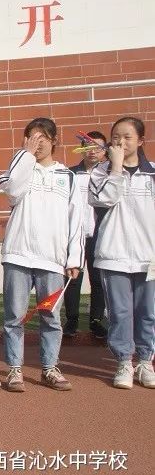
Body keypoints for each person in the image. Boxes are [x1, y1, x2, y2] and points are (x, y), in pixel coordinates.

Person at [0, 117, 82, 393]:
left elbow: (76, 221)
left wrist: (74, 258)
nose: (39, 142)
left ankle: (49, 368)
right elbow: (12, 192)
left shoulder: (67, 176)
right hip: (18, 255)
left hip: (51, 259)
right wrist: (25, 156)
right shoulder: (20, 166)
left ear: (54, 140)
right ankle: (14, 370)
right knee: (14, 316)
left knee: (51, 317)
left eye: (43, 136)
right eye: (32, 137)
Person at [89, 116, 154, 389]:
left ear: (141, 140)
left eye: (127, 137)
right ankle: (124, 361)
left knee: (148, 312)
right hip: (113, 253)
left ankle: (145, 361)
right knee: (120, 312)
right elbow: (102, 199)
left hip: (148, 255)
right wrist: (115, 168)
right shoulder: (100, 172)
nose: (120, 142)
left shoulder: (152, 174)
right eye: (116, 137)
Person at [63, 130, 108, 338]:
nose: (92, 152)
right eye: (88, 147)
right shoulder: (70, 174)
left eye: (97, 148)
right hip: (75, 234)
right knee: (73, 278)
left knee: (98, 279)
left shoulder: (109, 174)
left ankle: (96, 321)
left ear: (105, 151)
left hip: (101, 234)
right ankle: (71, 320)